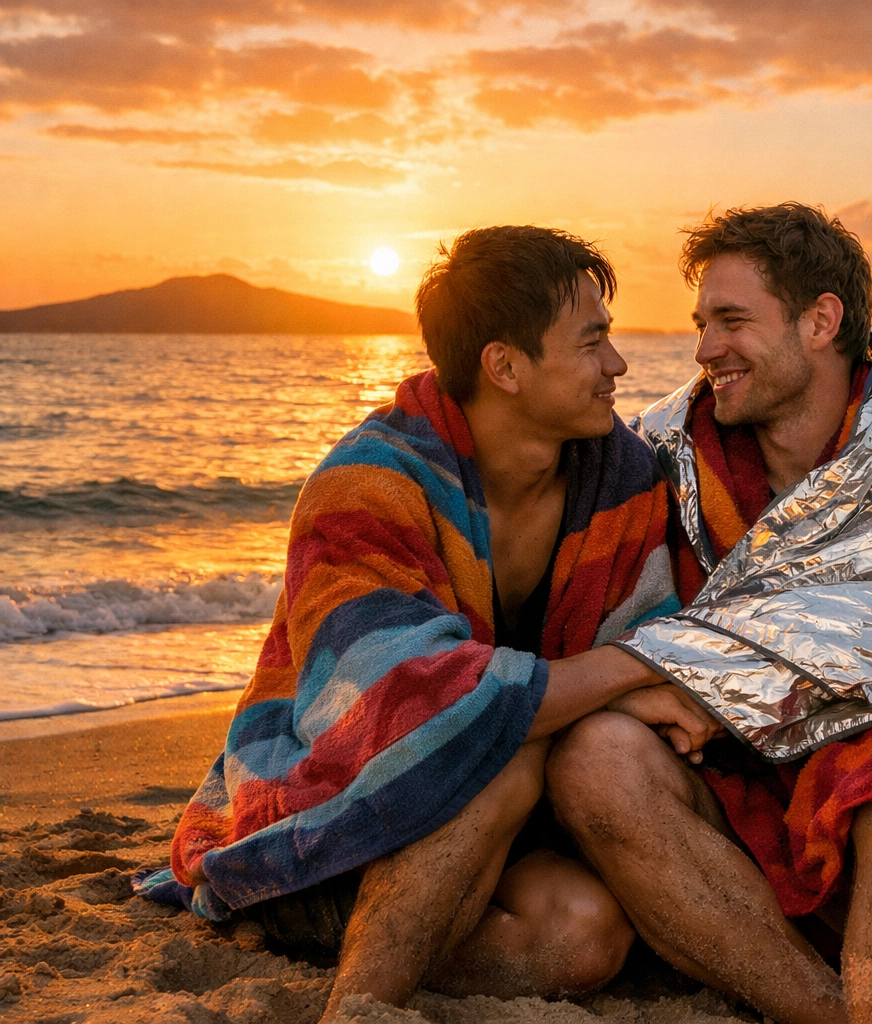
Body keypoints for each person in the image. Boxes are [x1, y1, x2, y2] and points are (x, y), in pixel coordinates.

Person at [143, 225, 715, 1014]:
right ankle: (359, 997)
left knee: (584, 936)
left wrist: (607, 683)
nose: (617, 366)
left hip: (504, 822)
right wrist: (632, 672)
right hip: (331, 801)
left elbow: (645, 630)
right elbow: (407, 705)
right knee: (488, 748)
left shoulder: (619, 479)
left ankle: (390, 932)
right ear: (504, 365)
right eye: (593, 342)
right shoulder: (364, 487)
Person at [547, 203, 872, 1024]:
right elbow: (578, 604)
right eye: (701, 323)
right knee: (596, 755)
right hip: (737, 791)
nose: (705, 350)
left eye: (732, 321)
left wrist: (696, 681)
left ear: (821, 321)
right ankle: (821, 1010)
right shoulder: (663, 452)